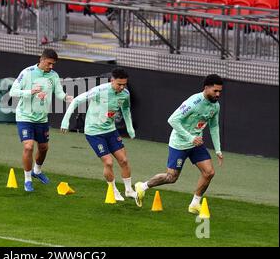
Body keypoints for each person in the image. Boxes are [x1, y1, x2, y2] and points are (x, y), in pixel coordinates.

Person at [135, 74, 224, 213]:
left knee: (209, 172)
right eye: (215, 91)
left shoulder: (215, 106)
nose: (218, 94)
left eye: (220, 91)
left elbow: (214, 126)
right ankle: (143, 186)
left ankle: (195, 204)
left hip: (196, 144)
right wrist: (190, 138)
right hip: (180, 144)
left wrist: (218, 150)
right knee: (171, 178)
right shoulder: (193, 102)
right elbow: (172, 120)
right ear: (206, 88)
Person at [61, 68, 139, 205]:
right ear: (112, 80)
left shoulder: (125, 94)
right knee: (108, 162)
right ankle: (113, 190)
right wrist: (65, 121)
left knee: (124, 160)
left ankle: (128, 190)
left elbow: (125, 109)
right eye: (119, 84)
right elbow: (77, 101)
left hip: (111, 130)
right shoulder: (99, 91)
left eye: (124, 84)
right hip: (94, 132)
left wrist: (130, 128)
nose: (122, 87)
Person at [9, 49, 73, 192]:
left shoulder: (53, 75)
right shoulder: (27, 73)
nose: (51, 66)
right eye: (49, 63)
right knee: (28, 146)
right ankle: (27, 179)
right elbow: (13, 92)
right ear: (42, 59)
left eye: (53, 64)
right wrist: (29, 92)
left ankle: (37, 171)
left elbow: (58, 92)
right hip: (25, 117)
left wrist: (66, 98)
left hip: (42, 118)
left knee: (43, 148)